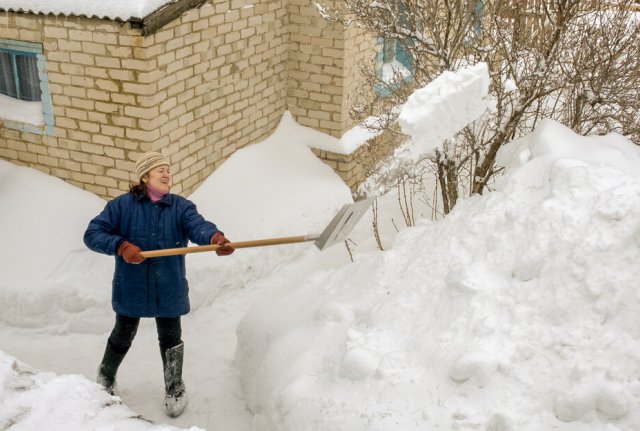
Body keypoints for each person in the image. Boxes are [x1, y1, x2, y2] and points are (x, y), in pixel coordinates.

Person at [83, 151, 234, 417]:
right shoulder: (121, 206)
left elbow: (197, 226)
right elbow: (93, 234)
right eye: (159, 170)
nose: (167, 174)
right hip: (133, 284)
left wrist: (214, 237)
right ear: (145, 176)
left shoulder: (180, 206)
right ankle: (105, 377)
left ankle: (174, 386)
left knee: (170, 337)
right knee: (123, 334)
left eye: (168, 169)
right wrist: (120, 245)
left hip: (168, 284)